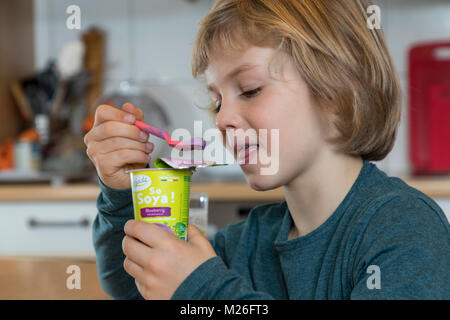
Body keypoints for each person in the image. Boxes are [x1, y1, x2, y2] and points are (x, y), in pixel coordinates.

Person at [84, 0, 450, 299]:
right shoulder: (245, 243)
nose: (223, 118)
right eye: (216, 102)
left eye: (250, 89)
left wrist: (202, 291)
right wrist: (119, 191)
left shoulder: (403, 228)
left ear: (338, 93)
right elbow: (134, 286)